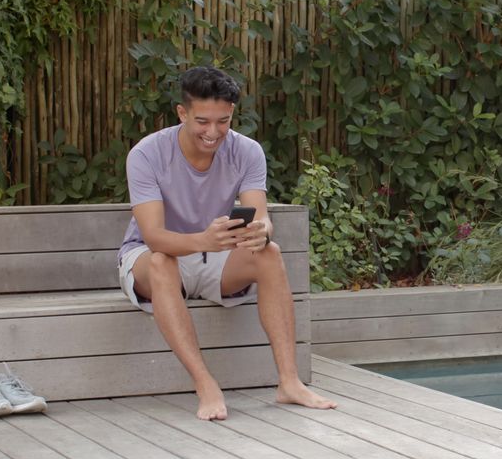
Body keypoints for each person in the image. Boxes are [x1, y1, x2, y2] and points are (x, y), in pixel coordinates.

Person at [117, 66, 337, 420]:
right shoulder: (146, 154)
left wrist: (261, 231)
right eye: (203, 121)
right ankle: (206, 384)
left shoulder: (247, 152)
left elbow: (260, 214)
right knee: (161, 261)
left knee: (270, 253)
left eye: (224, 121)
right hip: (154, 257)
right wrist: (203, 238)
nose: (213, 132)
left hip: (215, 256)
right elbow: (154, 236)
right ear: (182, 113)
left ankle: (289, 382)